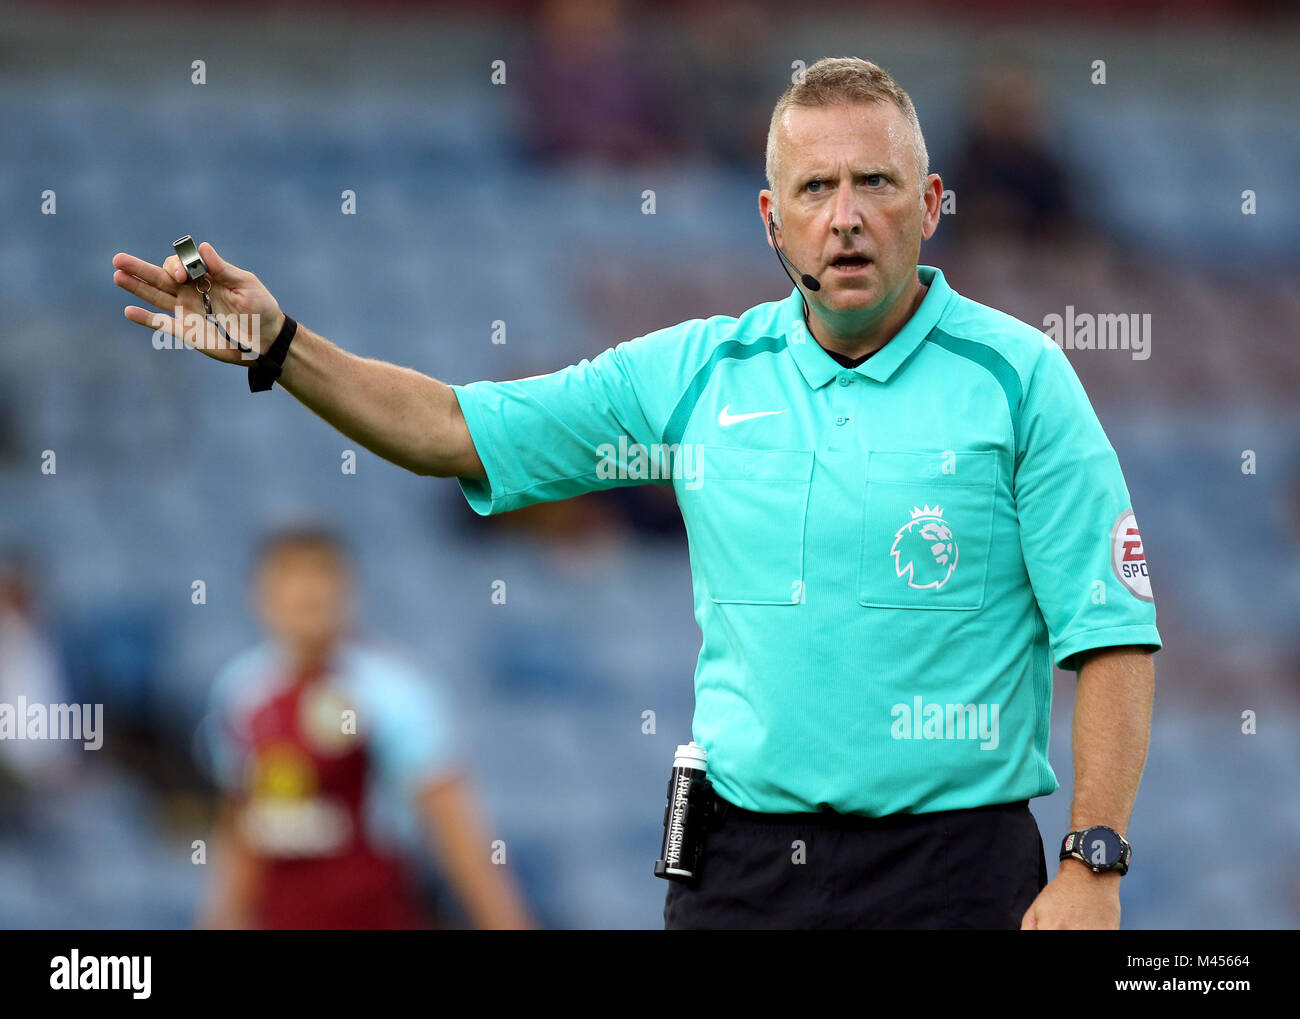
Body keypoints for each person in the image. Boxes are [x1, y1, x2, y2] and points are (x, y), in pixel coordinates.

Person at [115, 56, 1159, 931]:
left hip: (953, 872)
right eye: (813, 189)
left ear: (930, 204)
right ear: (771, 220)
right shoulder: (695, 373)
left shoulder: (1020, 381)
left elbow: (1109, 630)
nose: (845, 218)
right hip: (740, 868)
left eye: (875, 184)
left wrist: (1093, 859)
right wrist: (284, 348)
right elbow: (449, 427)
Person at [195, 525, 534, 929]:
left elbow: (455, 831)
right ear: (259, 594)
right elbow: (243, 832)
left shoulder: (394, 691)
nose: (306, 593)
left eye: (320, 575)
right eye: (289, 576)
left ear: (348, 589)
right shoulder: (241, 693)